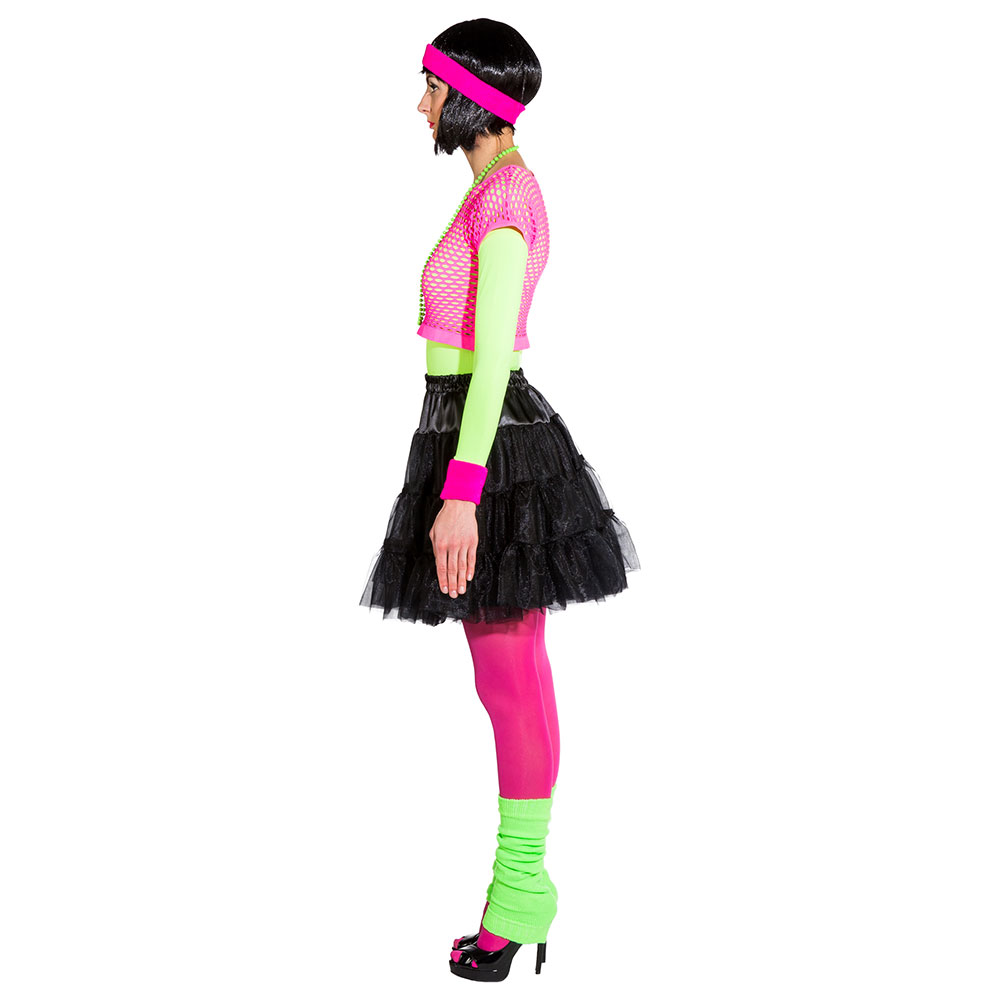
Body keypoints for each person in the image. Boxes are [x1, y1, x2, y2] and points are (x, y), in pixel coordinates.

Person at [358, 18, 640, 982]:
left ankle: (518, 891)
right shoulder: (490, 189)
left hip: (488, 445)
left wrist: (462, 494)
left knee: (510, 676)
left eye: (431, 87)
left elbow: (491, 360)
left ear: (468, 96)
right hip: (467, 436)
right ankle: (524, 889)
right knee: (510, 675)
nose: (420, 105)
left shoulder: (509, 195)